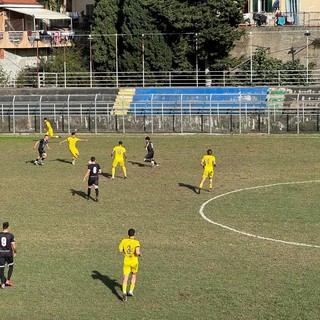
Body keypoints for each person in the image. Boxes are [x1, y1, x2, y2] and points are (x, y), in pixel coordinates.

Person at [118, 228, 141, 302]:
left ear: (128, 234)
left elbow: (120, 250)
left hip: (126, 261)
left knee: (125, 277)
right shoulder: (136, 242)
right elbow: (137, 252)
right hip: (134, 261)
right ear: (134, 234)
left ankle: (124, 291)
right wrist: (140, 254)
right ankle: (131, 290)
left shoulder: (124, 241)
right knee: (134, 274)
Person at [0, 222, 17, 289]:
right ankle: (8, 280)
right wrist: (15, 252)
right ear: (8, 227)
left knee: (1, 269)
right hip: (9, 254)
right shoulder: (11, 235)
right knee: (11, 265)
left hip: (1, 254)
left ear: (2, 227)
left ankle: (3, 284)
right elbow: (14, 246)